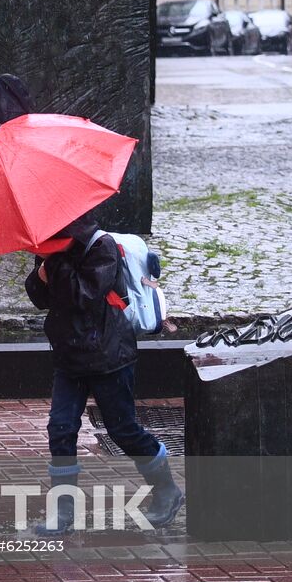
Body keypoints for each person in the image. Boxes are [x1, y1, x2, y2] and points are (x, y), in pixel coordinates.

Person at [25, 214, 184, 535]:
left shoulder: (102, 247)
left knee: (123, 429)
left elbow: (82, 296)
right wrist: (41, 272)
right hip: (70, 355)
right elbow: (40, 298)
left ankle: (167, 490)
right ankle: (63, 511)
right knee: (60, 428)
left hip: (109, 354)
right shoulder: (52, 246)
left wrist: (52, 266)